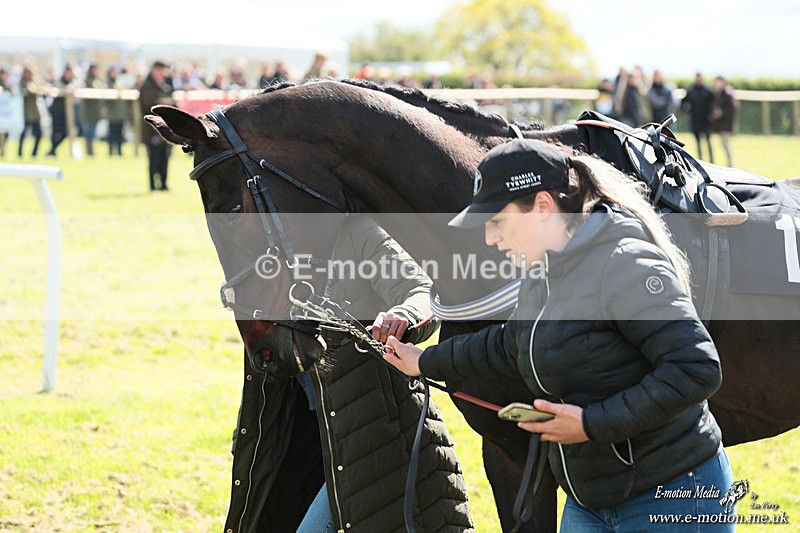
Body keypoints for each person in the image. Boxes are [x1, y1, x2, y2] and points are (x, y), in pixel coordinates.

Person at [385, 139, 733, 532]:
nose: (490, 239)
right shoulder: (542, 271)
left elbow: (696, 369)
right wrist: (424, 361)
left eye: (497, 222)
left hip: (671, 495)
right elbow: (510, 344)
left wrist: (591, 423)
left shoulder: (624, 263)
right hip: (589, 501)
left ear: (542, 206)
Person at [225, 214, 473, 532]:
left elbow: (422, 292)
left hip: (373, 441)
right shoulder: (266, 249)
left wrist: (403, 316)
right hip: (302, 449)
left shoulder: (357, 232)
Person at [137, 60, 175, 191]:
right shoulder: (146, 87)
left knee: (165, 158)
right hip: (151, 130)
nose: (163, 74)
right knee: (153, 159)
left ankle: (163, 184)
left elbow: (173, 105)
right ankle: (153, 185)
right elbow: (149, 108)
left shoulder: (164, 87)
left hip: (166, 128)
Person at [681, 72, 715, 162]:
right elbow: (683, 102)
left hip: (706, 120)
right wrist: (687, 111)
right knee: (698, 142)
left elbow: (714, 102)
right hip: (695, 120)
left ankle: (711, 161)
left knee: (708, 141)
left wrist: (712, 114)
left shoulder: (708, 90)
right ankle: (701, 160)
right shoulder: (691, 90)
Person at [46, 65, 75, 157]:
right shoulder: (58, 81)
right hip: (56, 110)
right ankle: (52, 151)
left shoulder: (72, 81)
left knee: (65, 132)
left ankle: (52, 150)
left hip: (65, 112)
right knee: (55, 131)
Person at [711, 75, 738, 167]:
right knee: (723, 145)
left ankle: (730, 165)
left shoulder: (727, 93)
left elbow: (733, 108)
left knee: (726, 145)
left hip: (726, 125)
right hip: (721, 125)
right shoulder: (718, 93)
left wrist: (721, 112)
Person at [80, 63, 106, 157]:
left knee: (93, 132)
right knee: (89, 132)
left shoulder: (97, 79)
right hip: (89, 111)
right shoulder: (87, 80)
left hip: (96, 111)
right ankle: (89, 151)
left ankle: (91, 151)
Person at [18, 66, 43, 157]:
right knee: (23, 134)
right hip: (25, 114)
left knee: (39, 134)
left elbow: (40, 90)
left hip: (35, 113)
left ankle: (34, 153)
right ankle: (20, 152)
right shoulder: (21, 83)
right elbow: (27, 91)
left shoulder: (35, 82)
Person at [105, 66, 128, 156]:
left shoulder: (119, 82)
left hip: (120, 113)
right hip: (112, 114)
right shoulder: (107, 83)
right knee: (112, 133)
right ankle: (111, 151)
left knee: (120, 133)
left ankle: (119, 151)